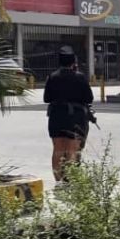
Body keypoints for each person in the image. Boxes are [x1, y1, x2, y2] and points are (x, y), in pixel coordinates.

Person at [44, 46, 94, 182]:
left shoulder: (52, 77)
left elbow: (46, 98)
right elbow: (89, 98)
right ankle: (70, 181)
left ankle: (58, 180)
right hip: (75, 118)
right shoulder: (80, 77)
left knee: (58, 150)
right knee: (72, 150)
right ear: (73, 62)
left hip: (56, 117)